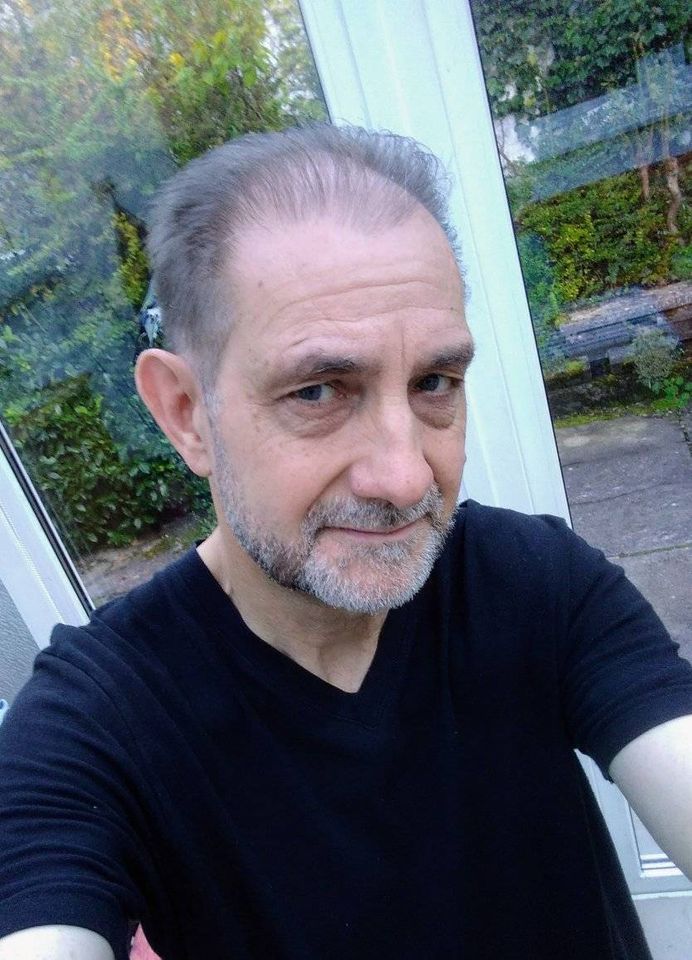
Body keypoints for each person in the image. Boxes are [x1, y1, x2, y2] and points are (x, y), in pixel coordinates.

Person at [0, 124, 691, 960]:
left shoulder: (536, 585)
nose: (405, 477)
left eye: (434, 382)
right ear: (186, 414)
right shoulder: (97, 724)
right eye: (319, 391)